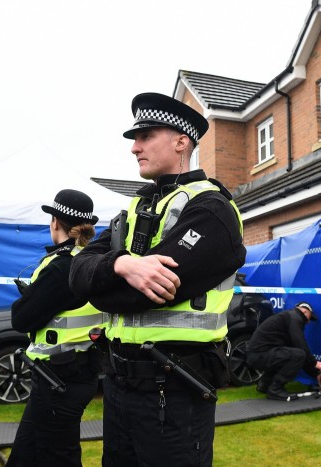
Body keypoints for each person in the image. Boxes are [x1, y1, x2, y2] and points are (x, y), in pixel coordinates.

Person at [69, 92, 246, 467]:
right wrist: (122, 265)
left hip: (175, 389)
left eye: (145, 135)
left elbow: (138, 298)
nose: (134, 147)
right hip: (119, 386)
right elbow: (76, 272)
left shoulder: (211, 209)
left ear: (181, 141)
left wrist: (103, 282)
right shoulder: (137, 206)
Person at [7, 189, 106, 467]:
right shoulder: (91, 260)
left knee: (58, 457)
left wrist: (30, 297)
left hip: (58, 380)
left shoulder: (63, 266)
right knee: (26, 455)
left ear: (54, 222)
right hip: (74, 374)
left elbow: (22, 319)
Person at [245, 302, 321, 400]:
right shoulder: (295, 318)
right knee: (298, 355)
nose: (308, 322)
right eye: (309, 317)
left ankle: (265, 384)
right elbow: (300, 345)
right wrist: (314, 363)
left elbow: (296, 348)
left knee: (285, 355)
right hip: (259, 354)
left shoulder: (288, 317)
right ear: (304, 311)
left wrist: (315, 374)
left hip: (255, 355)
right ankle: (275, 389)